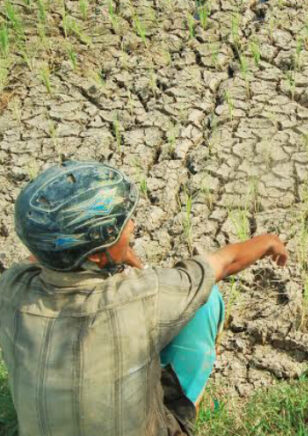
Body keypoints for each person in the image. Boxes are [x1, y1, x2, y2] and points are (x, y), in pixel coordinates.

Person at [0, 161, 288, 436]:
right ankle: (186, 412)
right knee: (206, 301)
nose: (133, 225)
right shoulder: (143, 296)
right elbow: (223, 263)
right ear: (98, 254)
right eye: (123, 225)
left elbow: (43, 253)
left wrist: (113, 252)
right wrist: (268, 242)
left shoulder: (12, 288)